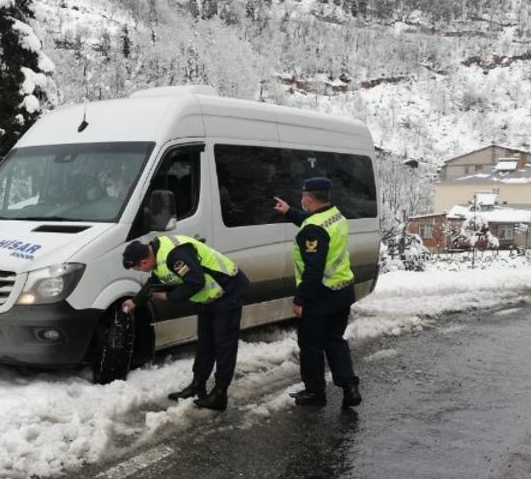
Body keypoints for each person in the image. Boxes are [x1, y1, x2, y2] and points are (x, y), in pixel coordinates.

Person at [121, 234, 250, 411]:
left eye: (138, 268)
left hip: (228, 289)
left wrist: (169, 296)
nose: (141, 272)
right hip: (209, 296)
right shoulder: (157, 255)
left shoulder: (174, 255)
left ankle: (220, 394)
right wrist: (135, 302)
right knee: (205, 342)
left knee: (223, 344)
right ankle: (198, 385)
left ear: (144, 262)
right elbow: (155, 282)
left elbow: (196, 281)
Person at [273, 176, 362, 409]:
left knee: (311, 344)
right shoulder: (336, 216)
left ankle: (315, 392)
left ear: (309, 198)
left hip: (322, 296)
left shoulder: (313, 230)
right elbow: (313, 223)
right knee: (335, 341)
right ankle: (349, 387)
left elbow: (313, 270)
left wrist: (300, 299)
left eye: (303, 196)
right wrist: (290, 212)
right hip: (343, 291)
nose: (302, 199)